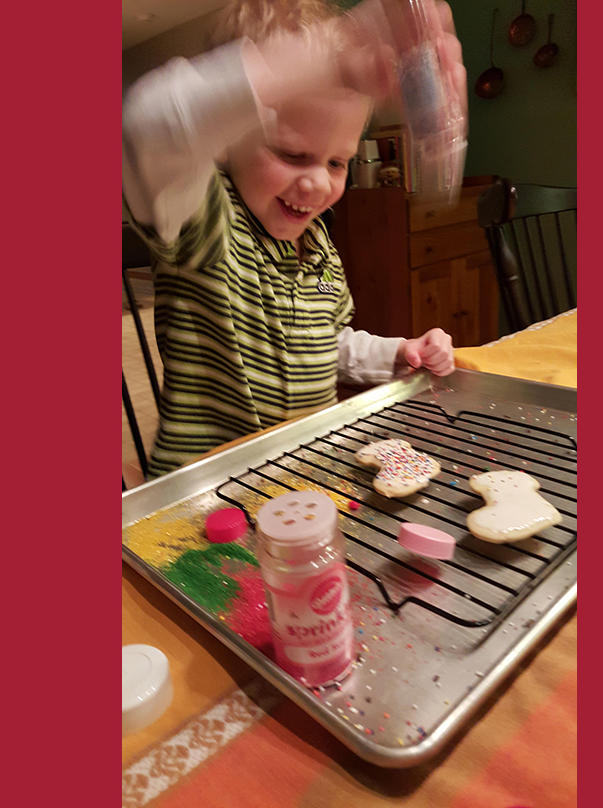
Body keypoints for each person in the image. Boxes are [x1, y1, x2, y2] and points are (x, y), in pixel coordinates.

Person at [123, 0, 467, 476]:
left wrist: (396, 352)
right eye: (292, 154)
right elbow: (146, 126)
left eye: (337, 162)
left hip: (304, 472)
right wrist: (326, 64)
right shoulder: (204, 221)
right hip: (211, 488)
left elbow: (323, 342)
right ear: (224, 141)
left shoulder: (319, 244)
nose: (318, 184)